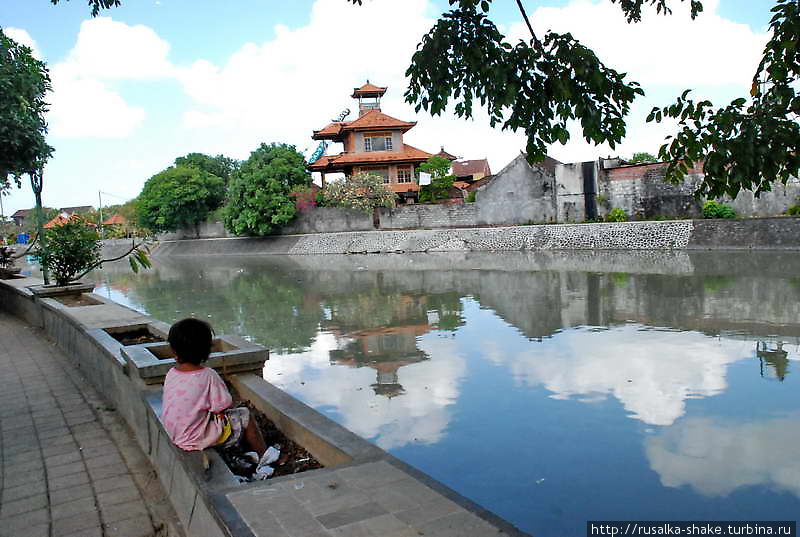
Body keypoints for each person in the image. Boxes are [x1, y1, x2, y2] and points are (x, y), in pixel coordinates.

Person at [161, 318, 280, 477]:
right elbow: (224, 405)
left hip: (176, 433)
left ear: (174, 351)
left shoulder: (172, 373)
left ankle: (239, 452)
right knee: (244, 415)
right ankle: (265, 456)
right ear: (207, 350)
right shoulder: (208, 375)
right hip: (195, 438)